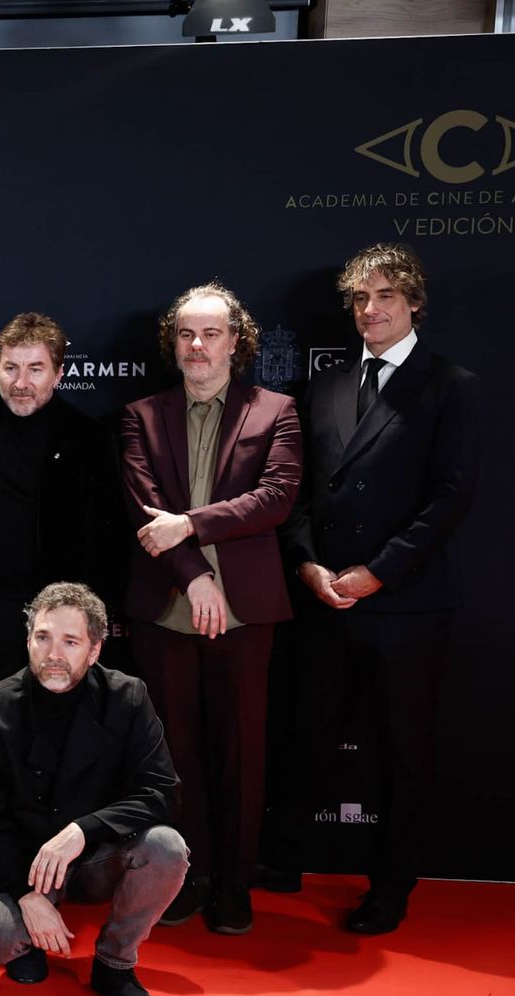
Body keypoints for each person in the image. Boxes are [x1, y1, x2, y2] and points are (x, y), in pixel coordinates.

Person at [277, 243, 481, 934]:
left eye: (385, 295)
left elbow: (450, 499)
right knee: (307, 733)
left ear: (414, 302)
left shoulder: (450, 385)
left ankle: (391, 886)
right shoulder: (326, 385)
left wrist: (380, 572)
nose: (370, 309)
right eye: (360, 298)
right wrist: (307, 565)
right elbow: (300, 492)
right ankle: (286, 858)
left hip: (406, 605)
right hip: (326, 598)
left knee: (401, 752)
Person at [119, 282, 301, 936]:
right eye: (186, 334)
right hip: (166, 609)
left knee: (241, 752)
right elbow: (143, 508)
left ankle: (234, 884)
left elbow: (276, 497)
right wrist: (196, 577)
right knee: (175, 756)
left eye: (211, 333)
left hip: (245, 612)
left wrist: (191, 525)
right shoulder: (142, 415)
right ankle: (186, 878)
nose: (197, 346)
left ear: (235, 341)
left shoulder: (275, 410)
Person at [0, 582, 186, 996]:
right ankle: (30, 939)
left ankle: (115, 965)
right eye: (43, 637)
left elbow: (163, 790)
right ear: (28, 640)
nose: (53, 654)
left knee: (167, 848)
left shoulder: (128, 697)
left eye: (70, 642)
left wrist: (84, 830)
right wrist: (26, 895)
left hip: (98, 855)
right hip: (24, 860)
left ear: (95, 650)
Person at [0, 312, 126, 694]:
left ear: (59, 374)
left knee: (60, 714)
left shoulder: (88, 438)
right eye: (11, 368)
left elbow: (110, 539)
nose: (21, 383)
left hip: (63, 612)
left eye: (35, 369)